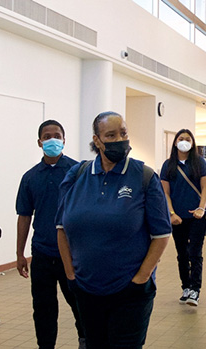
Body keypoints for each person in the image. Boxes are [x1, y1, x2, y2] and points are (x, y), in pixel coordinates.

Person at [56, 111, 172, 348]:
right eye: (111, 135)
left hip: (130, 292)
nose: (120, 139)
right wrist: (71, 275)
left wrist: (140, 279)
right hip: (86, 290)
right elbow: (61, 229)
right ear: (97, 140)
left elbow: (161, 235)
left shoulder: (144, 177)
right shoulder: (76, 176)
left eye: (123, 133)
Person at [16, 120, 85, 348]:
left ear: (64, 140)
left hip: (74, 256)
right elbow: (24, 216)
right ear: (39, 142)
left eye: (57, 135)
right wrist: (19, 254)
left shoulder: (78, 172)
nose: (52, 139)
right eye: (47, 136)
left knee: (80, 307)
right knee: (43, 310)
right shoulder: (30, 177)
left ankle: (86, 342)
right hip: (42, 254)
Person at [160, 129, 206, 306]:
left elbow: (205, 188)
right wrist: (172, 214)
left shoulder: (199, 163)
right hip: (177, 218)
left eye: (188, 139)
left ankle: (195, 289)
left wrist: (201, 208)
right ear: (175, 142)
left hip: (197, 217)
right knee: (182, 253)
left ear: (193, 143)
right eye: (181, 139)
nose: (184, 141)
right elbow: (165, 192)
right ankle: (186, 287)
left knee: (195, 253)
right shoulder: (168, 165)